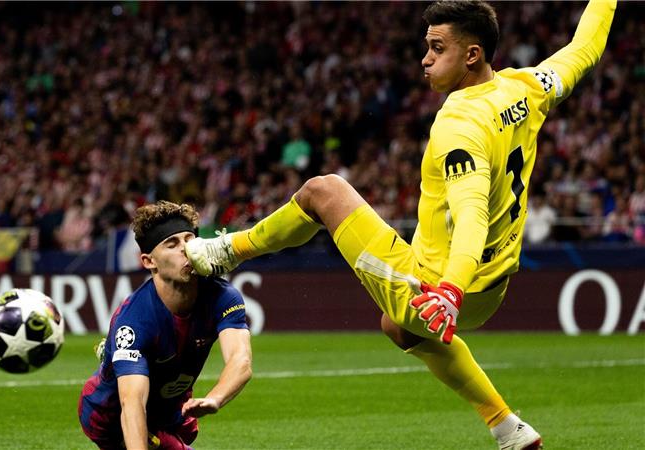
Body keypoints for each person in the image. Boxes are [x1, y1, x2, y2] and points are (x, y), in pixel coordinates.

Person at [184, 1, 616, 449]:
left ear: (472, 55)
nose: (425, 59)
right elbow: (584, 48)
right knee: (398, 327)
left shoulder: (460, 124)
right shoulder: (528, 86)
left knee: (323, 192)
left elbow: (471, 215)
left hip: (435, 290)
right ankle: (507, 427)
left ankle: (225, 252)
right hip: (492, 287)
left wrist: (449, 292)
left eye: (437, 48)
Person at [79, 201, 252, 450]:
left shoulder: (222, 296)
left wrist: (216, 398)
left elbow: (240, 359)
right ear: (149, 261)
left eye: (189, 239)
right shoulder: (134, 320)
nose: (186, 249)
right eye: (172, 244)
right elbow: (132, 404)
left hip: (171, 410)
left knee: (187, 430)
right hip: (111, 416)